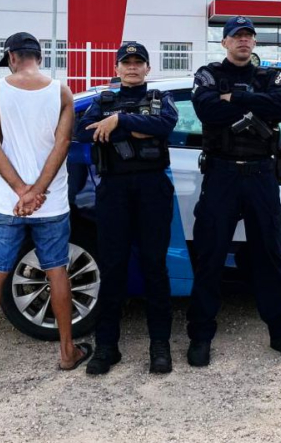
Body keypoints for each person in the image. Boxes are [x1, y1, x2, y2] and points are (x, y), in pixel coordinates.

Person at [0, 32, 91, 379]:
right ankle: (67, 352)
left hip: (6, 202)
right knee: (57, 271)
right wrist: (38, 192)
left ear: (12, 57)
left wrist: (20, 190)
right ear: (38, 57)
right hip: (51, 203)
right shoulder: (62, 92)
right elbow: (62, 145)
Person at [186, 16, 281, 366]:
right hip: (221, 175)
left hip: (261, 176)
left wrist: (234, 97)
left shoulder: (271, 76)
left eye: (248, 36)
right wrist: (253, 101)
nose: (243, 41)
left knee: (269, 256)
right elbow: (205, 108)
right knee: (210, 256)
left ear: (254, 43)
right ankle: (201, 335)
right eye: (236, 36)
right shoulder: (207, 74)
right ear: (224, 42)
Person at [76, 42, 179, 375]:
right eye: (127, 62)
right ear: (117, 68)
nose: (132, 67)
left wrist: (118, 120)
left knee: (154, 267)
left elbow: (164, 125)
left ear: (148, 69)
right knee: (113, 268)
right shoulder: (101, 101)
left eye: (139, 62)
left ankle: (159, 347)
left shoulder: (161, 99)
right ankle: (107, 347)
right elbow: (83, 132)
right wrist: (133, 127)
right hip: (114, 191)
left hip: (152, 188)